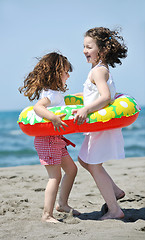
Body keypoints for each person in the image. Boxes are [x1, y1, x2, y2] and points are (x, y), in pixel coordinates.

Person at [73, 27, 127, 220]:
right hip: (96, 127)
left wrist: (86, 109)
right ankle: (116, 191)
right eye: (83, 46)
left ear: (102, 51)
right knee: (84, 160)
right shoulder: (98, 69)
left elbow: (105, 97)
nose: (84, 50)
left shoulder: (99, 71)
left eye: (89, 46)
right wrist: (80, 99)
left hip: (100, 126)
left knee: (94, 165)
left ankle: (114, 210)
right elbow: (95, 94)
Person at [19, 52, 80, 223]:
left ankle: (63, 204)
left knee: (72, 170)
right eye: (66, 72)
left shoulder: (56, 94)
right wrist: (53, 118)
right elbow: (38, 107)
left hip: (57, 140)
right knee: (55, 177)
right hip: (47, 140)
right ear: (56, 73)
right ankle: (47, 214)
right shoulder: (49, 94)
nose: (68, 76)